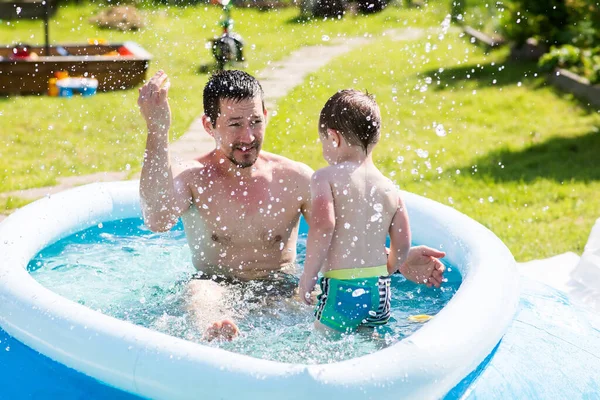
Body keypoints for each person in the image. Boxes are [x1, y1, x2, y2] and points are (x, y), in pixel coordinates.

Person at [137, 69, 446, 341]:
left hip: (284, 289)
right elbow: (157, 219)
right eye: (234, 124)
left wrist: (397, 260)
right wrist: (157, 132)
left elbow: (339, 235)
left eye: (255, 122)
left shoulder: (294, 178)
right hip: (217, 285)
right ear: (209, 125)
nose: (248, 136)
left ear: (266, 115)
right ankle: (215, 330)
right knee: (200, 292)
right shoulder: (194, 177)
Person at [298, 90, 411, 334]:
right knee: (369, 342)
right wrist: (387, 269)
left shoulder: (325, 178)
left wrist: (308, 276)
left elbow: (323, 227)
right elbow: (403, 244)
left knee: (324, 347)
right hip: (380, 292)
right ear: (376, 138)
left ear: (333, 137)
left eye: (323, 142)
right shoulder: (390, 188)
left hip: (342, 288)